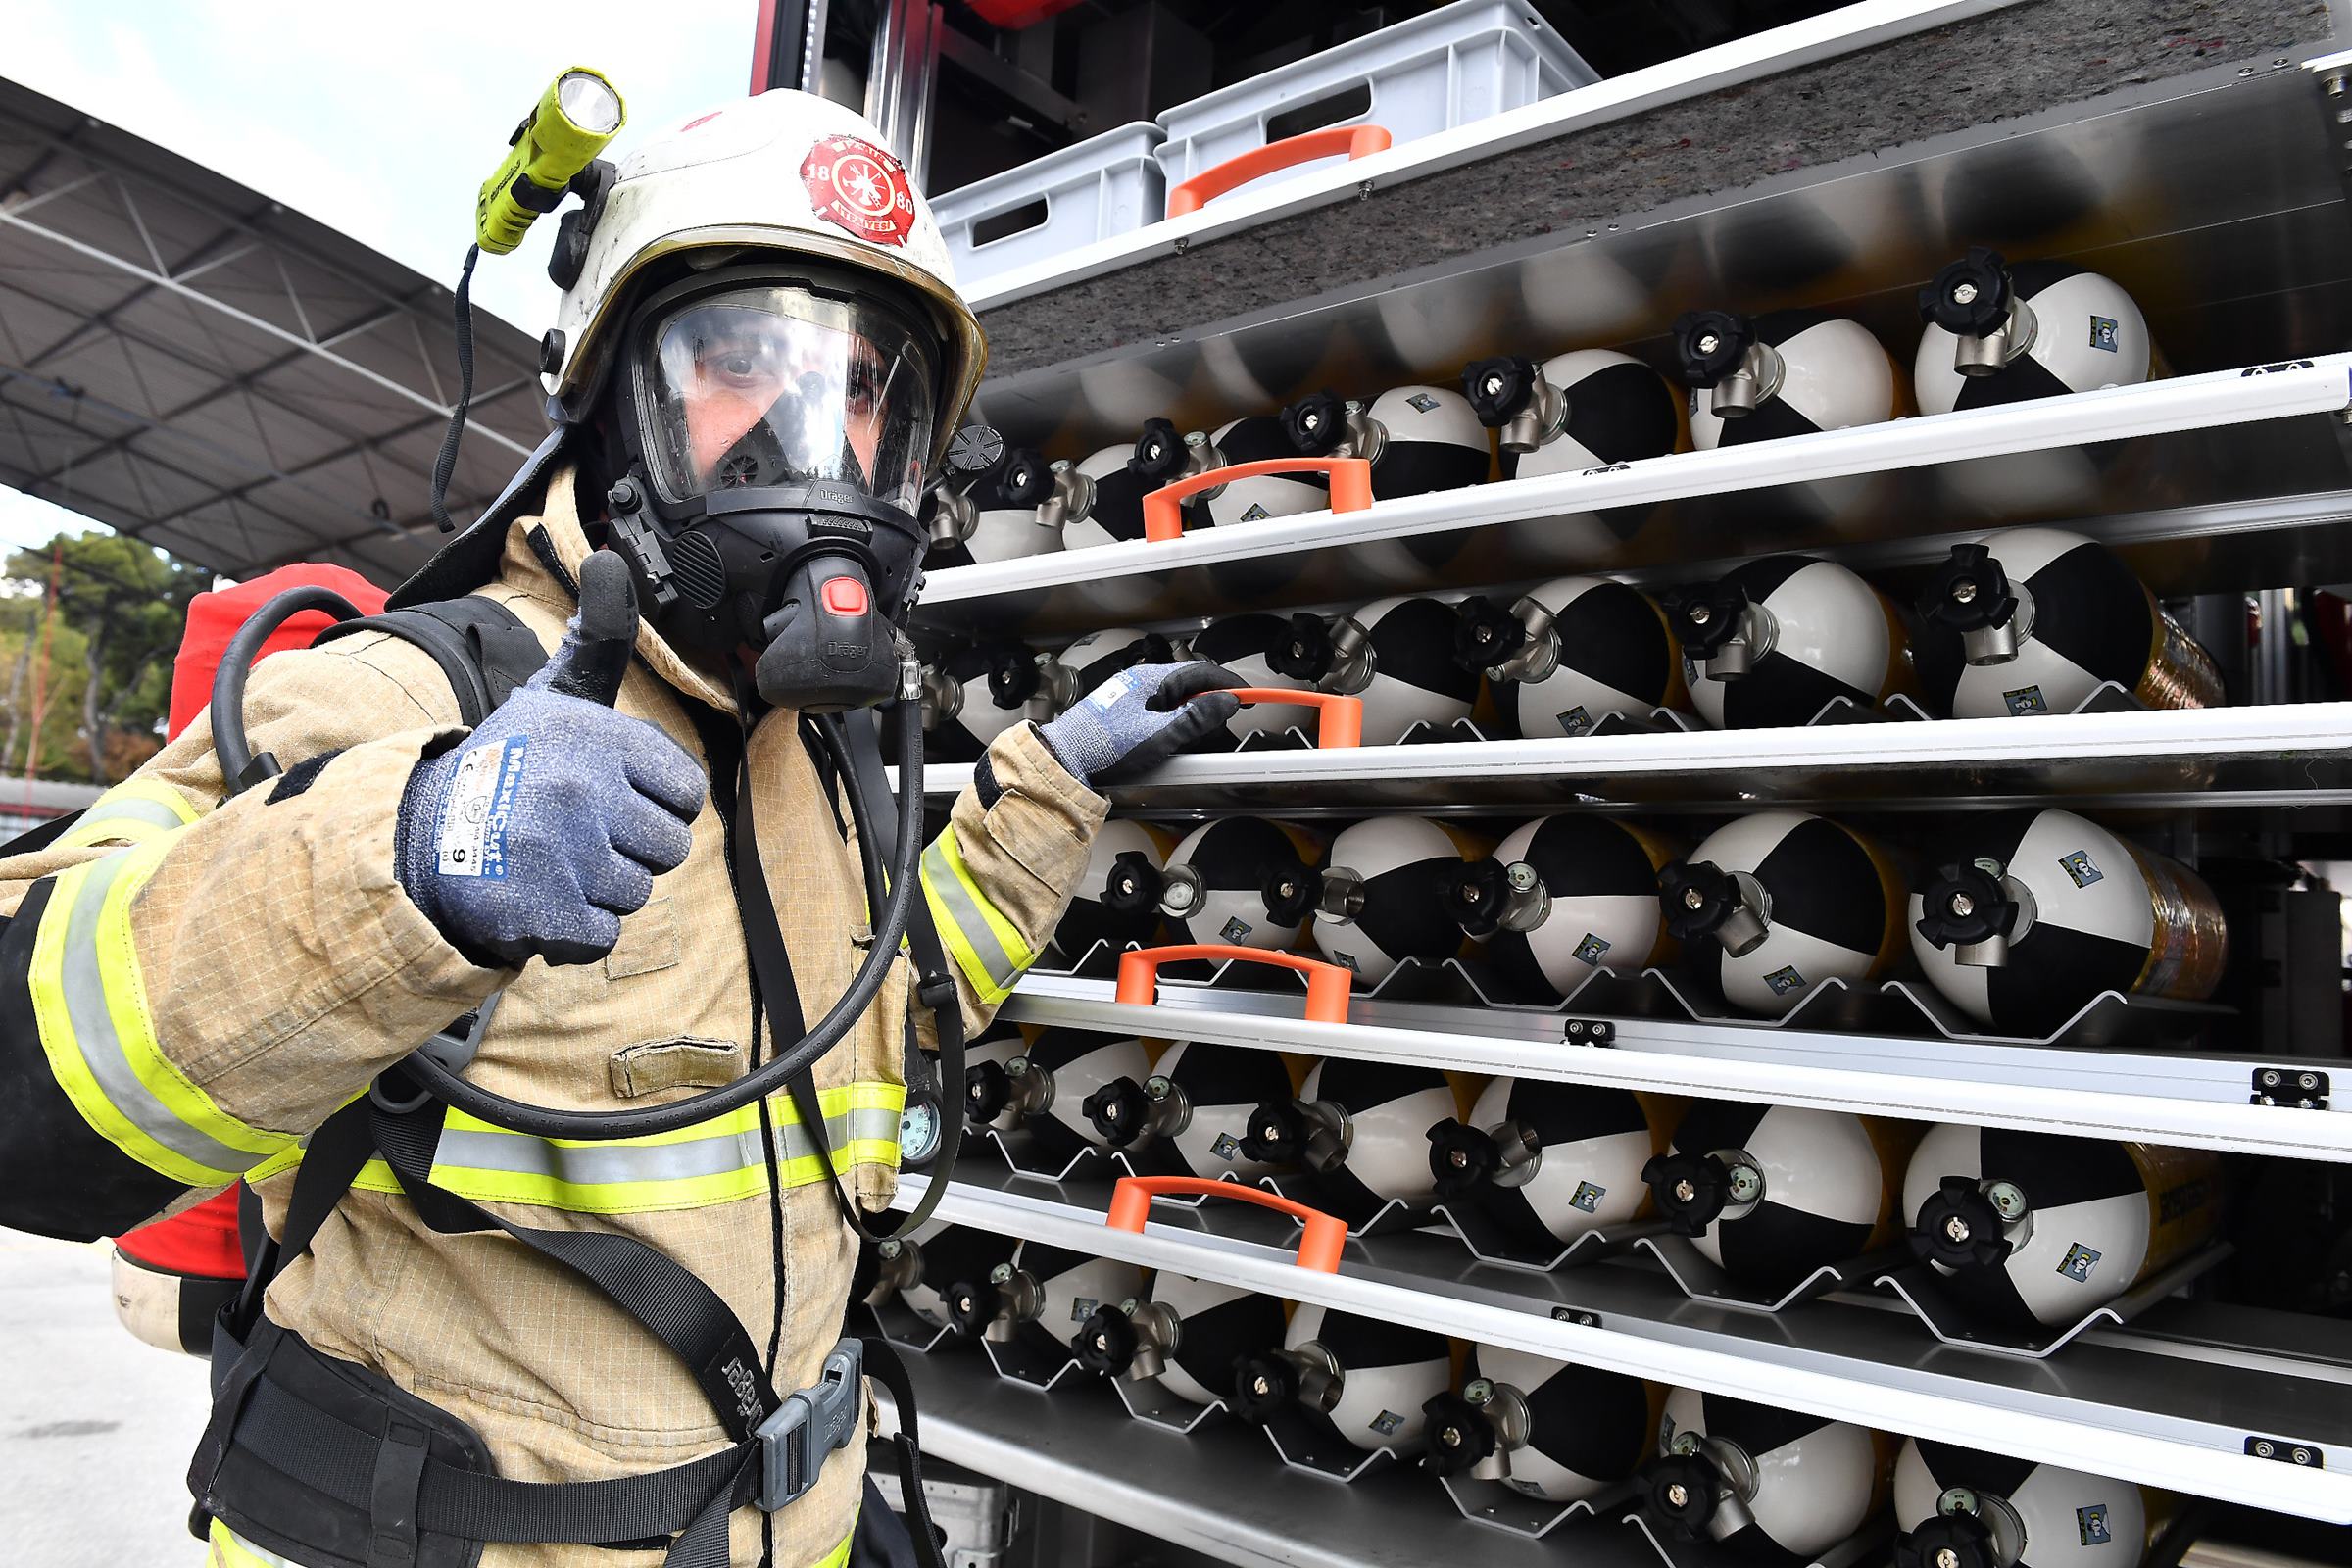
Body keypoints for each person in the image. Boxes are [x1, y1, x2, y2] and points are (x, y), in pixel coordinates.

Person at [0, 88, 1237, 1568]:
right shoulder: (423, 694)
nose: (819, 447)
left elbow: (888, 1016)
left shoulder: (809, 758)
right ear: (611, 399)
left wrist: (1050, 788)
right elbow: (25, 1074)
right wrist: (407, 865)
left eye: (863, 393)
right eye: (743, 366)